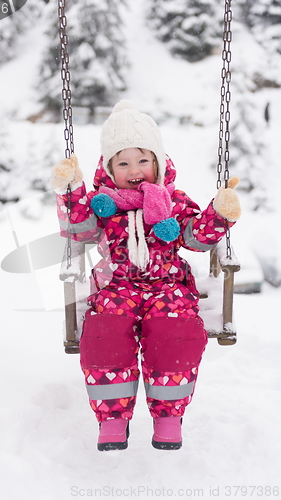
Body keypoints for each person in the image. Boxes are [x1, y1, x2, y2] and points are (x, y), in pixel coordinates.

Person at [51, 100, 241, 451]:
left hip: (168, 286)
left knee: (176, 333)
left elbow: (195, 239)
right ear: (109, 167)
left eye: (143, 160)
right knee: (104, 335)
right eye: (123, 162)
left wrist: (218, 214)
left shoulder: (173, 200)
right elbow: (78, 229)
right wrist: (70, 190)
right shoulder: (101, 202)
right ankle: (112, 420)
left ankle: (168, 417)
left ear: (158, 162)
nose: (134, 169)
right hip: (116, 286)